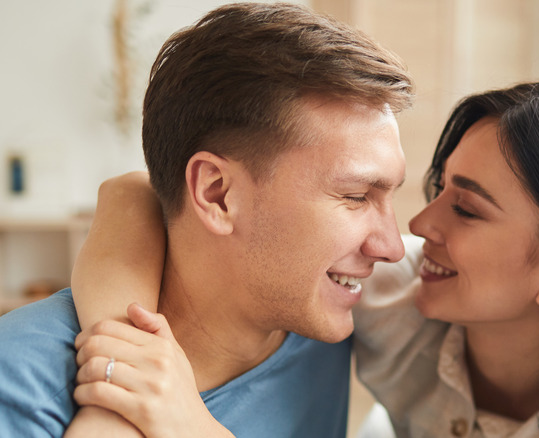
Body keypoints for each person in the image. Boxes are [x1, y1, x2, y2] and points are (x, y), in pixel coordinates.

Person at [71, 81, 539, 437]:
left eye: (468, 209)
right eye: (440, 190)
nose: (417, 226)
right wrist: (123, 361)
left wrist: (189, 426)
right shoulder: (398, 296)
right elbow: (133, 194)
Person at [0, 2, 413, 437]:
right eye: (355, 196)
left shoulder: (333, 317)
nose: (392, 246)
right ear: (216, 193)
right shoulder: (23, 380)